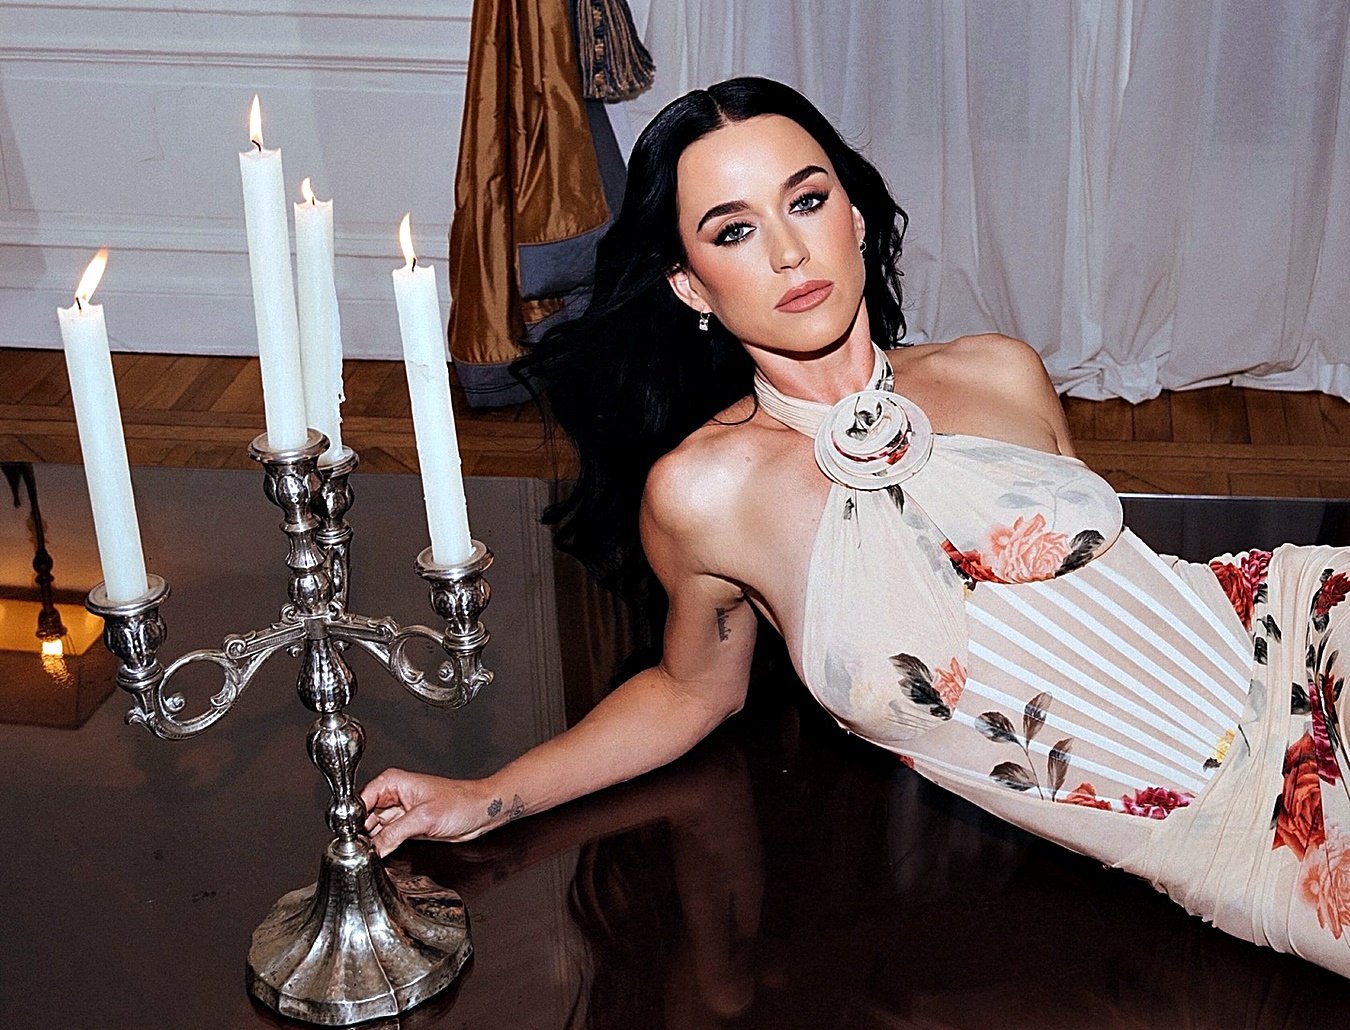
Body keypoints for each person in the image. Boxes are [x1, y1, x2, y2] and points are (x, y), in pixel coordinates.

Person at [362, 77, 1350, 978]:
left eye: (806, 200)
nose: (789, 251)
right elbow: (690, 690)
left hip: (1298, 636)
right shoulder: (705, 494)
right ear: (690, 284)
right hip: (1224, 839)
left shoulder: (999, 370)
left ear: (855, 216)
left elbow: (1113, 587)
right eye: (733, 230)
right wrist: (488, 796)